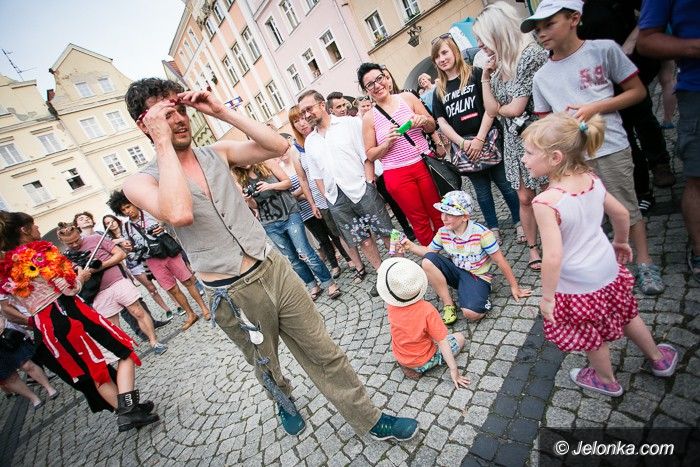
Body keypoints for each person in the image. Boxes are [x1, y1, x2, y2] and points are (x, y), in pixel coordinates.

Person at [122, 78, 418, 440]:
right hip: (232, 293)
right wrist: (162, 142)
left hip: (273, 268)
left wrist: (222, 112)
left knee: (323, 350)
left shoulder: (217, 152)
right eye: (166, 114)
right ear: (145, 123)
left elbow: (278, 146)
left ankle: (369, 418)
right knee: (265, 362)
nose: (180, 119)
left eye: (180, 109)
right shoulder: (140, 182)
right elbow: (178, 212)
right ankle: (284, 400)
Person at [523, 112, 678, 396]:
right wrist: (621, 242)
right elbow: (621, 213)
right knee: (627, 313)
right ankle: (658, 359)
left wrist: (547, 298)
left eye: (529, 153)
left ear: (555, 157)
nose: (523, 159)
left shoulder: (545, 202)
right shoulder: (591, 178)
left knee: (590, 332)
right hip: (606, 266)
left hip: (577, 281)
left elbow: (553, 256)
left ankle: (606, 380)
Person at [523, 0, 666, 295]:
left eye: (549, 24)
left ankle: (644, 261)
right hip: (572, 161)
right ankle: (602, 268)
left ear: (574, 18)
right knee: (585, 215)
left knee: (626, 206)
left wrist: (595, 107)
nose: (542, 33)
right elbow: (545, 126)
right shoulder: (541, 77)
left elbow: (637, 92)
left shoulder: (603, 50)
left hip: (610, 146)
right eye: (537, 29)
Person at [0, 211, 159, 431]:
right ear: (23, 230)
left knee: (93, 370)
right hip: (69, 312)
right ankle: (128, 409)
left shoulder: (5, 266)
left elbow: (9, 305)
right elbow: (70, 288)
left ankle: (131, 413)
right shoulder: (40, 252)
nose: (37, 228)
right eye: (34, 225)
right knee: (124, 351)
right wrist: (81, 277)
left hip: (45, 326)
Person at [576, 0, 676, 213]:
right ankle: (638, 186)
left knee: (643, 117)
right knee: (621, 129)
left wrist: (630, 43)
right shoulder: (568, 6)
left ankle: (659, 162)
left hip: (627, 65)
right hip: (597, 77)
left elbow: (648, 13)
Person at [473, 1, 549, 270]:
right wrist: (485, 77)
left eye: (482, 38)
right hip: (515, 141)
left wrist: (501, 108)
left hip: (538, 137)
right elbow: (490, 109)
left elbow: (515, 108)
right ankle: (533, 248)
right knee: (525, 198)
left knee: (547, 194)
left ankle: (557, 242)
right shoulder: (497, 67)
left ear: (498, 31)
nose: (480, 45)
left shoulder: (529, 56)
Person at [299, 89, 395, 295]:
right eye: (302, 112)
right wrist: (327, 197)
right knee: (362, 239)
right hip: (336, 199)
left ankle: (398, 269)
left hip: (361, 188)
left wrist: (369, 182)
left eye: (308, 109)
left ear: (322, 105)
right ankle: (382, 274)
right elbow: (316, 175)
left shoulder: (349, 124)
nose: (306, 115)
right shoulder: (310, 141)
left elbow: (366, 154)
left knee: (385, 230)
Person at [430, 33, 521, 246]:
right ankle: (493, 228)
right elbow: (441, 121)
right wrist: (462, 143)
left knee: (506, 185)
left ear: (454, 51)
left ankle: (519, 222)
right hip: (466, 150)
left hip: (489, 140)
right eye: (437, 56)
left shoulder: (476, 74)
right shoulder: (439, 89)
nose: (442, 59)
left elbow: (490, 107)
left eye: (444, 52)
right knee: (482, 192)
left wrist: (479, 139)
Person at [637, 0, 700, 282]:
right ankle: (699, 250)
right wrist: (694, 47)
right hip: (697, 88)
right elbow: (647, 39)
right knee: (697, 176)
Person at [399, 191, 530, 324]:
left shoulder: (482, 234)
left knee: (471, 314)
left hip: (477, 276)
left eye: (450, 214)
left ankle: (479, 294)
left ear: (465, 217)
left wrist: (515, 287)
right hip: (456, 271)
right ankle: (449, 304)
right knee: (427, 261)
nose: (444, 218)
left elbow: (500, 260)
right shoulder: (443, 231)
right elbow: (429, 251)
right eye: (443, 212)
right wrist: (410, 246)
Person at [359, 63, 443, 247]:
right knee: (419, 222)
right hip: (397, 174)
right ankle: (435, 260)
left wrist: (423, 121)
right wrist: (386, 144)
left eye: (379, 78)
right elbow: (370, 154)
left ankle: (454, 253)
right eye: (370, 84)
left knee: (439, 212)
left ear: (386, 78)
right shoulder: (369, 118)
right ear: (366, 90)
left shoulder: (408, 98)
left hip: (424, 163)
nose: (377, 85)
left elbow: (432, 126)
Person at [232, 161, 342, 300]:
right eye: (238, 163)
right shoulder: (241, 180)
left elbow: (288, 183)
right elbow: (255, 206)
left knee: (305, 252)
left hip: (290, 213)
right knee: (292, 258)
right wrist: (248, 200)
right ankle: (313, 285)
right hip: (269, 222)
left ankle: (329, 283)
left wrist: (269, 186)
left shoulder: (267, 164)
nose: (243, 164)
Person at [56, 223, 168, 355]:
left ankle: (154, 342)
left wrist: (101, 266)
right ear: (62, 241)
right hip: (96, 292)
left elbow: (120, 254)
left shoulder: (95, 239)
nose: (75, 244)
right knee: (112, 325)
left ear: (79, 233)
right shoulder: (65, 257)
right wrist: (81, 275)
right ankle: (128, 353)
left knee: (137, 311)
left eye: (77, 240)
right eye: (70, 243)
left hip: (117, 281)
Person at [107, 190, 211, 330]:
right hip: (151, 260)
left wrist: (162, 227)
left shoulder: (150, 213)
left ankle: (204, 308)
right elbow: (130, 246)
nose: (127, 211)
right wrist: (127, 246)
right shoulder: (126, 227)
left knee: (188, 281)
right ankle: (190, 314)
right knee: (172, 289)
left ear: (134, 203)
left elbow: (171, 223)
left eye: (128, 206)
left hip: (168, 252)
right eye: (123, 210)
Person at [376, 257, 471, 387]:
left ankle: (407, 365)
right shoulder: (426, 310)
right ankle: (420, 367)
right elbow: (442, 341)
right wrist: (454, 370)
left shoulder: (391, 306)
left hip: (401, 355)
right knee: (459, 338)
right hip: (423, 360)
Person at [288, 106, 356, 276]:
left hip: (339, 190)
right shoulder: (295, 150)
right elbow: (303, 179)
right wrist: (312, 204)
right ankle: (346, 261)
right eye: (296, 121)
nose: (301, 123)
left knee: (351, 227)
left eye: (303, 118)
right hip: (320, 198)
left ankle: (356, 258)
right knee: (334, 232)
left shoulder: (321, 136)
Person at [102, 214, 175, 320]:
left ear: (116, 220)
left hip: (147, 257)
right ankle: (167, 309)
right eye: (107, 223)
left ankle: (177, 304)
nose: (111, 224)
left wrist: (122, 240)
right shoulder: (109, 238)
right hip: (134, 263)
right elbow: (111, 247)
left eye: (112, 221)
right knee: (151, 288)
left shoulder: (127, 227)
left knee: (163, 282)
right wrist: (120, 242)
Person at [0, 309, 59, 409]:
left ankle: (49, 387)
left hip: (3, 336)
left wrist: (1, 323)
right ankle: (34, 398)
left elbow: (4, 308)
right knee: (8, 377)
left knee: (26, 364)